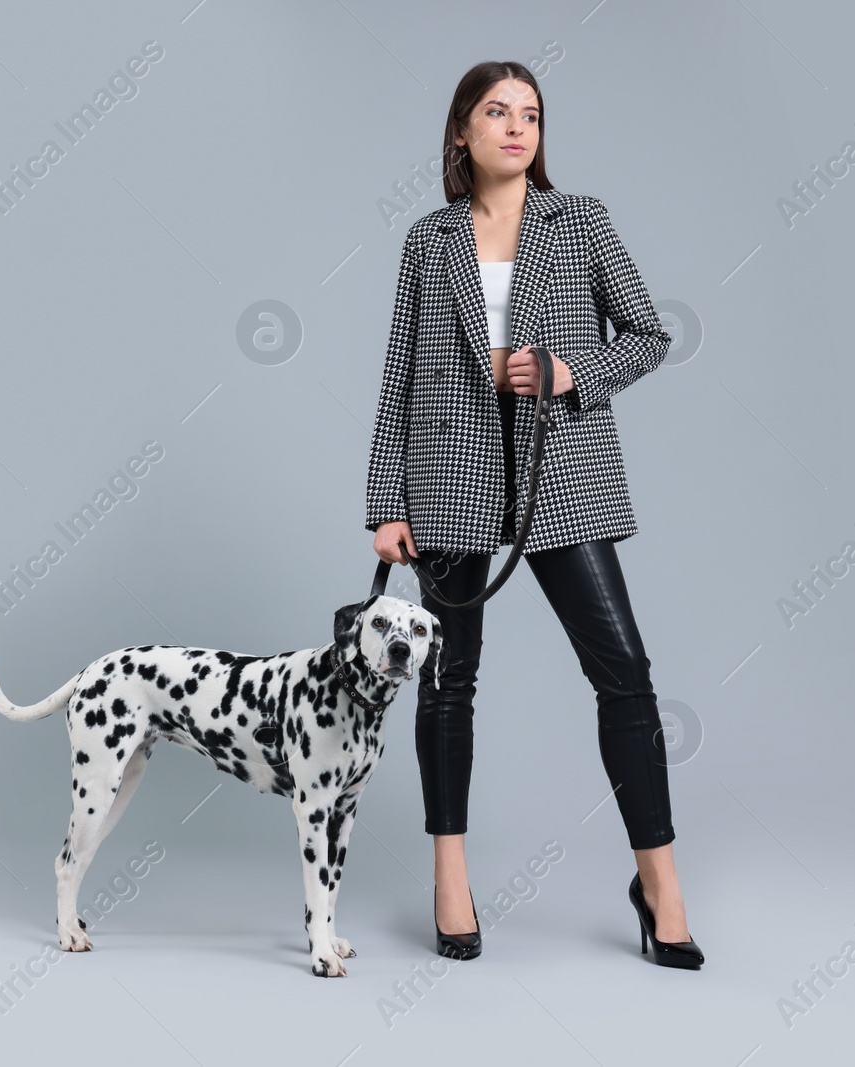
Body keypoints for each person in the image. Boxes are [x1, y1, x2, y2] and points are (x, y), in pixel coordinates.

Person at [364, 60, 702, 969]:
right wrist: (384, 503)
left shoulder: (579, 221)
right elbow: (397, 377)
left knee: (623, 671)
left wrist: (568, 372)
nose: (518, 127)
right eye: (497, 112)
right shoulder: (427, 241)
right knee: (449, 679)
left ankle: (659, 884)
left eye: (532, 114)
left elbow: (649, 333)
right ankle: (451, 876)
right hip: (450, 475)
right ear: (461, 133)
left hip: (563, 472)